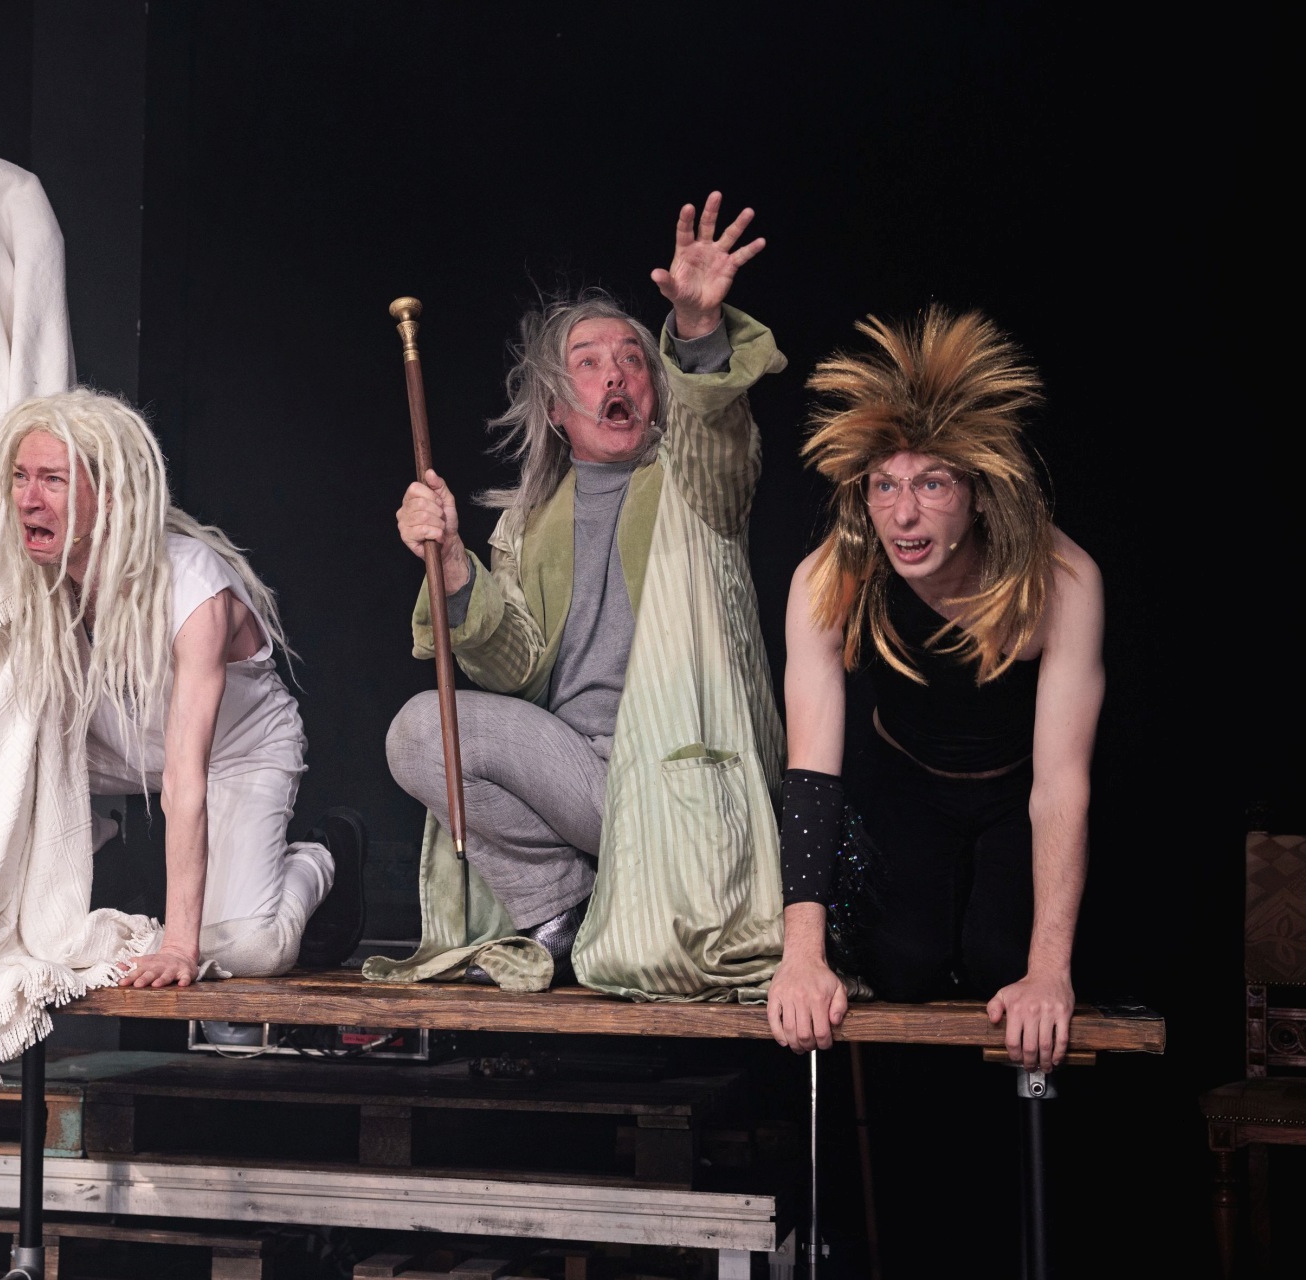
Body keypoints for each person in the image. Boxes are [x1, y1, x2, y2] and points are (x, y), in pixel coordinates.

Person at [372, 194, 788, 995]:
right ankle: (563, 908)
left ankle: (595, 903)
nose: (617, 374)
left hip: (677, 788)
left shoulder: (693, 484)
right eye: (590, 363)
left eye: (633, 359)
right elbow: (515, 669)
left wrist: (697, 332)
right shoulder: (530, 525)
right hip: (583, 785)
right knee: (419, 730)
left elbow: (725, 447)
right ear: (559, 408)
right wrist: (455, 566)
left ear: (658, 389)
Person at [767, 307, 1104, 1070]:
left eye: (931, 482)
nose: (904, 512)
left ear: (979, 491)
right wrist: (801, 955)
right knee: (904, 968)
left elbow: (1060, 786)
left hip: (1014, 792)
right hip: (905, 784)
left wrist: (1050, 971)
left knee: (1000, 962)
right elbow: (813, 776)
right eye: (884, 484)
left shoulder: (1063, 581)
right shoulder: (832, 576)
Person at [0, 388, 365, 985]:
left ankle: (325, 854)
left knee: (247, 951)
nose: (29, 499)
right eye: (20, 477)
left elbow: (187, 778)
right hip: (120, 750)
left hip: (234, 752)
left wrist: (181, 949)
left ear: (107, 497)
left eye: (53, 480)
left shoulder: (192, 587)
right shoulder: (29, 581)